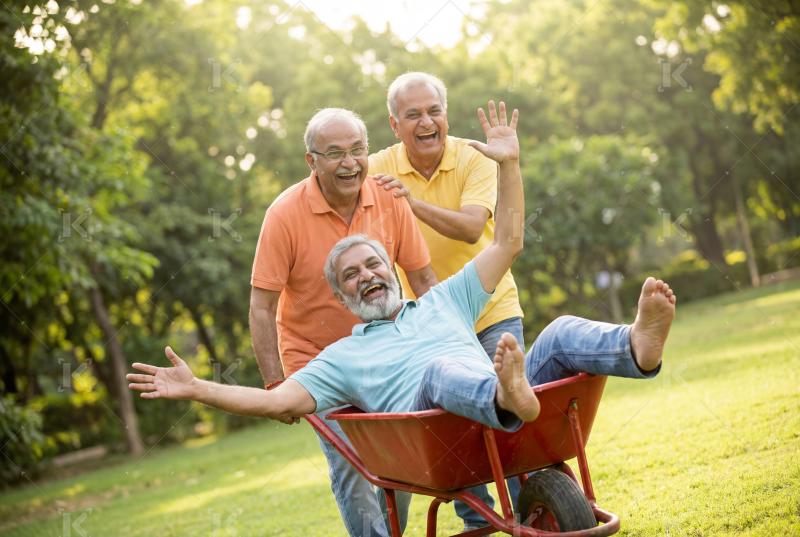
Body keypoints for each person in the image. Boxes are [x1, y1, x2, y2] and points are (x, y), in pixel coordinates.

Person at [128, 101, 676, 527]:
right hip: (439, 428)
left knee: (555, 333)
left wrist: (510, 165)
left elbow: (506, 242)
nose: (367, 274)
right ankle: (504, 396)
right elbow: (273, 396)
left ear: (389, 267)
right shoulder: (342, 354)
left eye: (373, 264)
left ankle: (635, 347)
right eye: (350, 276)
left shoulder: (441, 300)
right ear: (341, 300)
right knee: (407, 410)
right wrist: (196, 387)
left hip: (494, 413)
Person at [248, 107, 438, 536]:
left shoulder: (389, 197)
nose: (350, 163)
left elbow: (423, 277)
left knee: (398, 458)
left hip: (383, 351)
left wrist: (444, 337)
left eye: (357, 150)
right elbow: (262, 307)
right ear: (311, 161)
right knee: (351, 464)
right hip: (318, 362)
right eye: (335, 153)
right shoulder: (284, 215)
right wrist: (276, 386)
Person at [368, 71, 528, 528]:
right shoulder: (377, 165)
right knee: (450, 421)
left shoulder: (474, 157)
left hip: (489, 308)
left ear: (446, 115)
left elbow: (472, 227)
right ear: (394, 123)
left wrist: (410, 203)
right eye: (413, 114)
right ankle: (476, 519)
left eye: (434, 111)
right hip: (427, 319)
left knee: (510, 410)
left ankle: (533, 502)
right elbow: (334, 182)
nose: (426, 122)